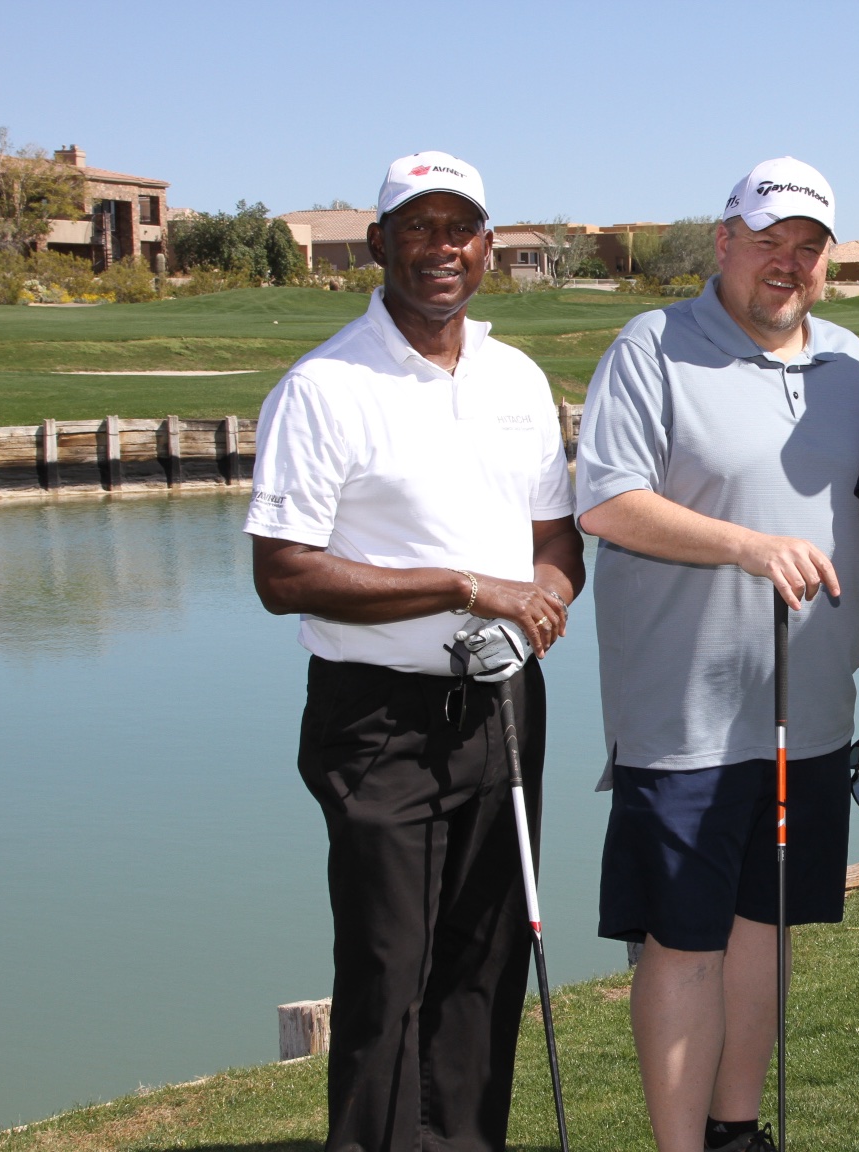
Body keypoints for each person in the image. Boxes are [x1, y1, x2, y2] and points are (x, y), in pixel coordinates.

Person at [246, 151, 584, 1152]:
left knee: (487, 961)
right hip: (378, 717)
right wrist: (466, 587)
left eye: (461, 228)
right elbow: (283, 575)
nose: (443, 247)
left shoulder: (516, 378)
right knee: (389, 967)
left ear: (487, 246)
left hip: (503, 706)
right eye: (419, 227)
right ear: (378, 244)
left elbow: (555, 541)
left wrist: (547, 598)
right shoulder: (324, 387)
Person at [574, 156, 859, 1152]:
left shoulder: (850, 364)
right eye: (769, 242)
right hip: (684, 716)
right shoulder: (652, 347)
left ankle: (735, 1132)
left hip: (810, 714)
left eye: (809, 246)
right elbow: (608, 502)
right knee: (684, 944)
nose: (788, 262)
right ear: (724, 243)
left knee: (765, 929)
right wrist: (748, 547)